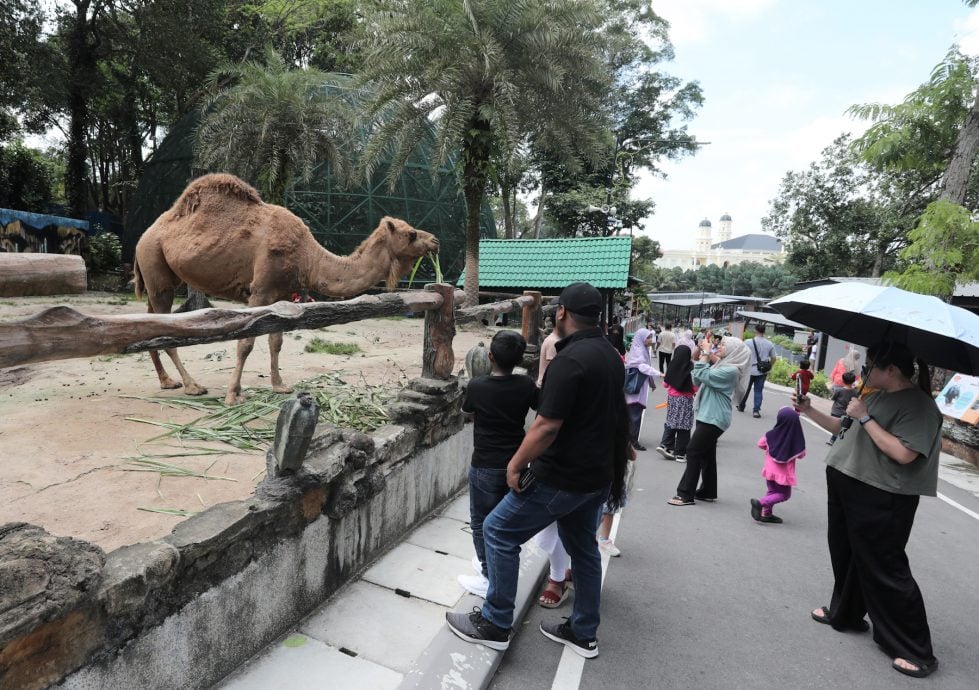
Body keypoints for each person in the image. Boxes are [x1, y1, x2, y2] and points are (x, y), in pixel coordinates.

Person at [445, 282, 628, 659]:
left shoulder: (570, 361)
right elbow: (616, 412)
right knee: (584, 550)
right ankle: (583, 632)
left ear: (561, 313)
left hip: (562, 476)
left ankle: (495, 623)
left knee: (496, 529)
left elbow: (546, 425)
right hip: (596, 476)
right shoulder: (609, 355)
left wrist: (516, 464)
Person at [792, 340, 942, 679]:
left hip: (883, 494)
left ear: (891, 370)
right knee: (846, 555)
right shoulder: (873, 394)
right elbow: (841, 427)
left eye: (870, 365)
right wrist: (809, 409)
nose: (862, 371)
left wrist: (867, 416)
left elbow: (904, 453)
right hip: (848, 481)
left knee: (885, 567)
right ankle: (845, 613)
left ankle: (916, 650)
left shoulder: (918, 406)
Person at [457, 330, 538, 597]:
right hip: (516, 463)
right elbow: (542, 406)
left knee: (481, 522)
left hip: (485, 464)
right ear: (519, 359)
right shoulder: (526, 385)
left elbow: (468, 412)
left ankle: (488, 573)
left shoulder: (477, 386)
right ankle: (495, 565)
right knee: (503, 523)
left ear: (490, 356)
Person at [668, 336, 751, 506]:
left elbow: (701, 373)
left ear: (734, 351)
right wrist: (703, 353)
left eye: (723, 345)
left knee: (693, 450)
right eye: (720, 344)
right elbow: (697, 379)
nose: (719, 347)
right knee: (707, 454)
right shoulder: (722, 364)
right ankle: (708, 491)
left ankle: (685, 494)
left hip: (714, 416)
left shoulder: (731, 370)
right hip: (707, 413)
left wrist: (706, 353)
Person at [750, 407, 806, 524]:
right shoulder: (794, 440)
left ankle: (767, 514)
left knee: (772, 492)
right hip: (783, 476)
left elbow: (760, 444)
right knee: (784, 494)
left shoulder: (771, 435)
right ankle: (761, 503)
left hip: (769, 472)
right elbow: (801, 455)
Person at [656, 344, 696, 463]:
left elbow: (665, 384)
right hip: (686, 400)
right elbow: (695, 388)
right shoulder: (691, 368)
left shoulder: (672, 365)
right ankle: (680, 454)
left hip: (672, 399)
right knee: (684, 425)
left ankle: (665, 445)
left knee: (671, 420)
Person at [624, 327, 661, 451]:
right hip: (636, 388)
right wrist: (659, 373)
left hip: (638, 386)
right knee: (635, 414)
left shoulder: (639, 348)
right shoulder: (639, 351)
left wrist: (651, 383)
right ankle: (633, 441)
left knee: (633, 413)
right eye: (648, 337)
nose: (651, 340)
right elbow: (642, 367)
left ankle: (629, 438)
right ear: (642, 338)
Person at [738, 323, 776, 418]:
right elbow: (774, 358)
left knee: (745, 389)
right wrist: (769, 366)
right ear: (764, 331)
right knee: (758, 390)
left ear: (755, 330)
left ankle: (741, 405)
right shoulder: (769, 344)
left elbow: (742, 354)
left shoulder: (747, 342)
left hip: (749, 369)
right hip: (762, 371)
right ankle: (756, 411)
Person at [827, 371, 858, 445]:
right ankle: (836, 440)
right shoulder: (855, 392)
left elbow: (833, 398)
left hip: (836, 411)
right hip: (846, 413)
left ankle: (833, 440)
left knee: (834, 426)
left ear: (843, 380)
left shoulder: (839, 390)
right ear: (853, 381)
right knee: (841, 427)